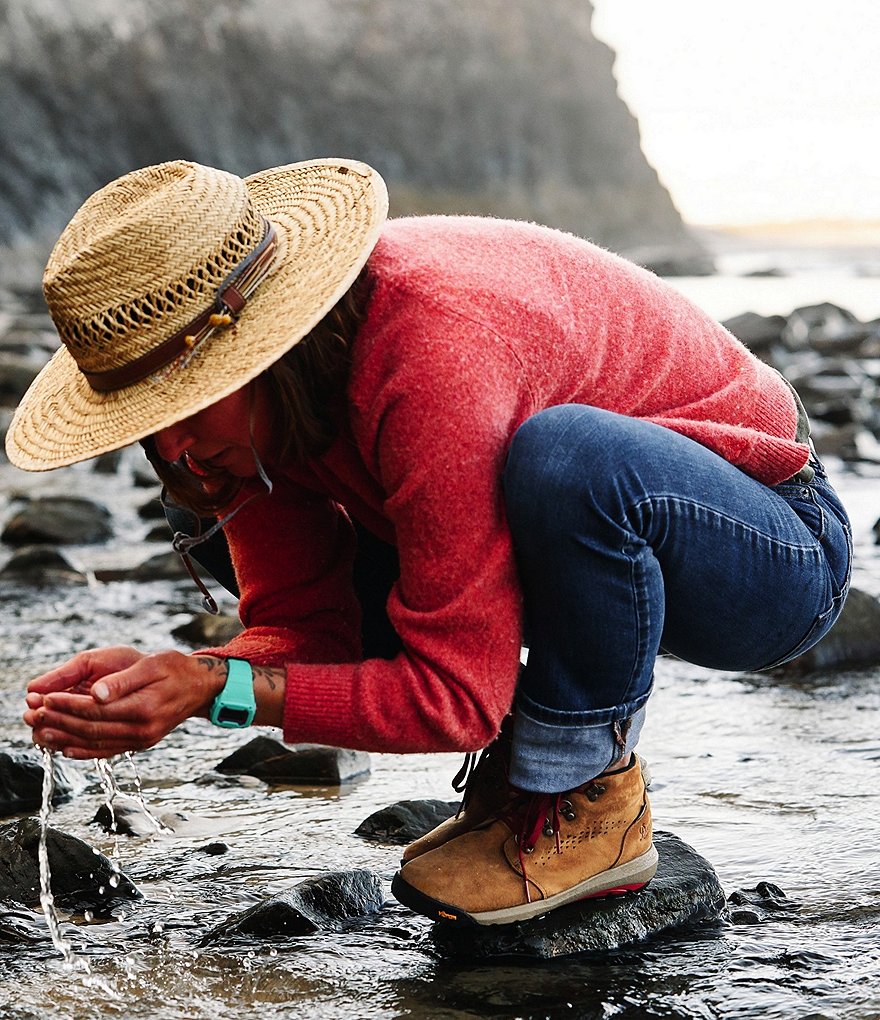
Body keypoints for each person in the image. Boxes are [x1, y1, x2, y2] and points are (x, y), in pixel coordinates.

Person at [10, 158, 851, 928]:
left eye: (189, 403)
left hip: (768, 545)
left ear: (259, 347)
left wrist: (209, 688)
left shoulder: (431, 358)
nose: (177, 446)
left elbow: (455, 700)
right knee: (207, 500)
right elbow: (310, 636)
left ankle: (590, 800)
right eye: (151, 422)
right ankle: (529, 775)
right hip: (589, 553)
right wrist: (180, 683)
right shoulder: (255, 414)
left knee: (566, 462)